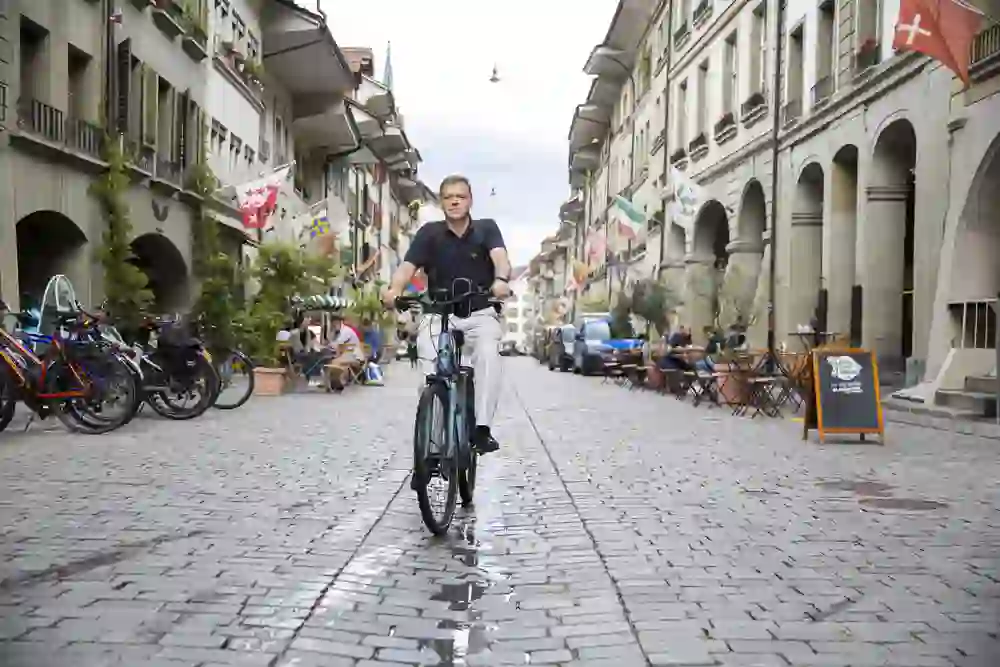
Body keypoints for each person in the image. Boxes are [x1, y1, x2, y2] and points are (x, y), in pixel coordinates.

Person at [381, 174, 512, 455]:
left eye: (460, 196)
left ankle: (481, 430)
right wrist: (394, 289)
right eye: (448, 197)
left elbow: (500, 258)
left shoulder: (486, 229)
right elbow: (407, 267)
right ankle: (432, 446)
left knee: (489, 354)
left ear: (470, 200)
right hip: (439, 314)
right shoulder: (429, 233)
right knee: (430, 371)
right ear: (441, 202)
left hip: (479, 312)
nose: (454, 201)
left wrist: (500, 280)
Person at [325, 313, 364, 391]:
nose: (332, 325)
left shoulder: (346, 331)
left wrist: (329, 343)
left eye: (333, 323)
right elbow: (332, 345)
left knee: (334, 362)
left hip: (354, 355)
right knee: (331, 361)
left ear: (338, 322)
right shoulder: (337, 331)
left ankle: (336, 383)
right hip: (346, 354)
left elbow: (336, 344)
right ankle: (333, 382)